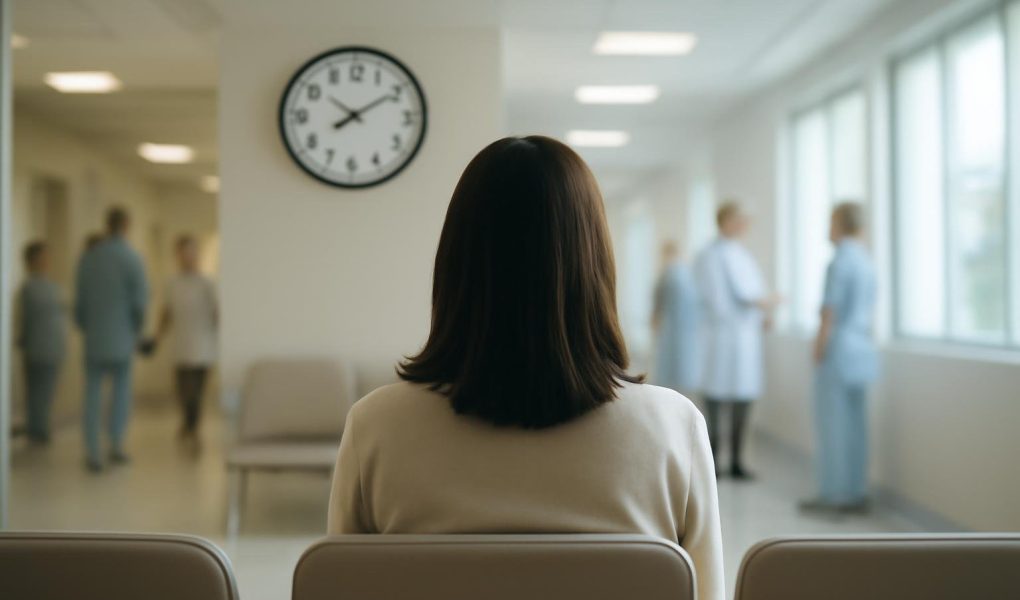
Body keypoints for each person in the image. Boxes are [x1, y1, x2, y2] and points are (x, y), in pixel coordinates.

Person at [327, 136, 724, 600]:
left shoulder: (377, 427)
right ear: (595, 265)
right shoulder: (672, 427)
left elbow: (339, 586)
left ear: (456, 265)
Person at [801, 202, 878, 515]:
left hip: (839, 349)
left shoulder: (840, 261)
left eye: (830, 222)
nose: (827, 229)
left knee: (833, 425)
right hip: (862, 349)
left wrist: (818, 347)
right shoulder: (867, 260)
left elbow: (828, 310)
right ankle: (856, 492)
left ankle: (834, 496)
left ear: (841, 224)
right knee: (856, 425)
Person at [695, 201, 778, 479]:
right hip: (722, 336)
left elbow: (753, 294)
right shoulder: (711, 255)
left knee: (743, 398)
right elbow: (738, 296)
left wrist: (763, 311)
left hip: (744, 337)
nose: (744, 224)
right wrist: (764, 303)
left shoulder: (741, 254)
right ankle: (714, 462)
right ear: (725, 221)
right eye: (738, 219)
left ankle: (737, 462)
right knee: (716, 401)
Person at [75, 206, 149, 472]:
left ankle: (92, 451)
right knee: (120, 393)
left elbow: (80, 303)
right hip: (121, 338)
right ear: (127, 225)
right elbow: (140, 303)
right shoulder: (131, 259)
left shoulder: (89, 258)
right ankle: (116, 444)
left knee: (92, 394)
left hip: (94, 337)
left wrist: (86, 326)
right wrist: (138, 331)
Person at [156, 235, 218, 443]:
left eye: (191, 251)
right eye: (183, 252)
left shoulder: (207, 283)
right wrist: (157, 336)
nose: (187, 256)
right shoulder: (172, 283)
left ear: (197, 254)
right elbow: (166, 312)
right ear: (177, 256)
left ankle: (193, 426)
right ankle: (187, 422)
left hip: (203, 344)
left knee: (197, 391)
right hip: (180, 344)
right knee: (183, 391)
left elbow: (216, 312)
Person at [15, 241, 67, 443]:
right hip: (36, 348)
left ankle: (40, 428)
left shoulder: (53, 288)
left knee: (45, 392)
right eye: (43, 257)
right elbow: (23, 321)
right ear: (33, 261)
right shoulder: (28, 289)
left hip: (50, 348)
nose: (47, 261)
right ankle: (37, 430)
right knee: (35, 393)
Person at [652, 240, 700, 394]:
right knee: (678, 370)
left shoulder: (670, 275)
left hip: (674, 329)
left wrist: (655, 320)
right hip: (681, 330)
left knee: (671, 371)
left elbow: (657, 307)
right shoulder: (684, 275)